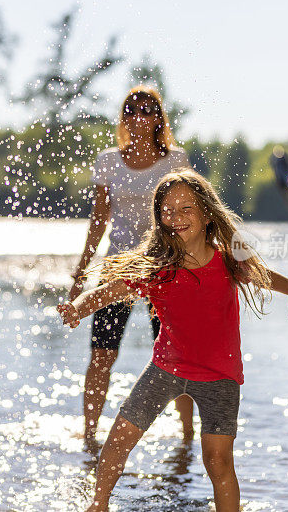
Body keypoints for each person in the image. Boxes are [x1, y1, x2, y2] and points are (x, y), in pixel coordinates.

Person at [58, 169, 288, 512]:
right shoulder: (157, 266)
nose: (176, 218)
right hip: (166, 368)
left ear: (206, 213)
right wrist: (78, 307)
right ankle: (99, 505)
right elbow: (111, 291)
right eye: (167, 211)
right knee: (119, 440)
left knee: (217, 460)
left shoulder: (228, 257)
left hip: (220, 376)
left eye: (185, 209)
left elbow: (262, 275)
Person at [70, 86, 195, 446]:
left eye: (147, 110)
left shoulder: (176, 162)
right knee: (101, 354)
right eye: (131, 110)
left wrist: (195, 266)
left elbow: (188, 215)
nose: (138, 117)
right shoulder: (109, 160)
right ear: (124, 117)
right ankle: (89, 435)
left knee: (177, 355)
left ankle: (187, 436)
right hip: (118, 268)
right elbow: (98, 221)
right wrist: (81, 273)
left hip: (165, 266)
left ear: (158, 118)